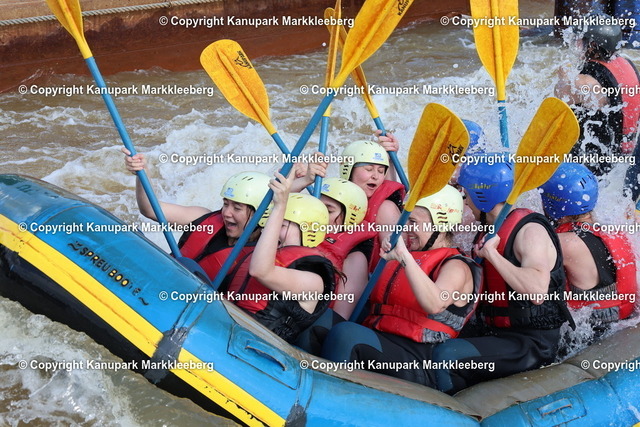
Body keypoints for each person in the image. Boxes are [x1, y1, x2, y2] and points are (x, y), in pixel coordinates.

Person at [430, 153, 573, 395]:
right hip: (495, 330)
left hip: (532, 342)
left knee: (446, 355)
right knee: (432, 339)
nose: (465, 201)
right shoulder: (488, 226)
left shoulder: (530, 231)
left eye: (466, 194)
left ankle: (453, 410)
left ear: (482, 196)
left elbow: (537, 291)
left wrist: (492, 255)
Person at [320, 185, 482, 386]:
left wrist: (404, 257)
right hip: (381, 339)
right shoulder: (405, 257)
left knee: (347, 335)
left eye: (413, 222)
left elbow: (435, 304)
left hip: (418, 361)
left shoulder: (457, 266)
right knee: (320, 319)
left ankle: (331, 395)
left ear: (441, 224)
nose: (406, 228)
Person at [123, 148, 270, 280]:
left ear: (261, 215)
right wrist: (142, 173)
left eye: (237, 208)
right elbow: (150, 209)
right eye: (225, 204)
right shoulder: (203, 217)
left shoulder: (260, 261)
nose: (226, 213)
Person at [225, 172, 337, 343]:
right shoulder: (265, 252)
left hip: (255, 344)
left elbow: (260, 272)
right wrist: (300, 182)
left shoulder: (313, 281)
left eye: (281, 224)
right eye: (271, 223)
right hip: (228, 324)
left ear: (308, 231)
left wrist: (280, 207)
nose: (269, 230)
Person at [540, 162, 636, 333]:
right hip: (623, 314)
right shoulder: (613, 230)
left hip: (594, 326)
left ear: (550, 204)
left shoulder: (564, 243)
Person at [555, 13, 640, 176]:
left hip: (592, 168)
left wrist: (564, 75)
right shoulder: (628, 65)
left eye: (580, 39)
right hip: (622, 158)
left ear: (592, 45)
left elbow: (559, 96)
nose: (576, 43)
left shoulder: (586, 82)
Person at [339, 139, 405, 273]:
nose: (376, 176)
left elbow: (398, 255)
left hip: (371, 276)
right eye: (368, 169)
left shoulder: (386, 208)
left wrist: (390, 158)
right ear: (349, 170)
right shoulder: (335, 198)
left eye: (381, 171)